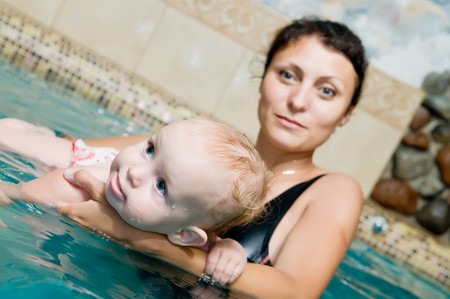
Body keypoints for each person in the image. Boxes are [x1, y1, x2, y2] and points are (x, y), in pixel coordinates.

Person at [55, 16, 368, 298]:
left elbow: (296, 293)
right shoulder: (198, 152)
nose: (298, 101)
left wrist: (145, 242)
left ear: (346, 114)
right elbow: (70, 150)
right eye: (287, 75)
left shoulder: (334, 190)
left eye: (327, 91)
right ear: (263, 78)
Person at [0, 118, 270, 285]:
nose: (135, 171)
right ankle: (34, 131)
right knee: (8, 135)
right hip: (81, 161)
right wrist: (11, 195)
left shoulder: (192, 236)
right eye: (150, 149)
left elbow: (210, 243)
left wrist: (229, 250)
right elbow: (19, 191)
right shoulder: (79, 186)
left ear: (183, 235)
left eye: (161, 186)